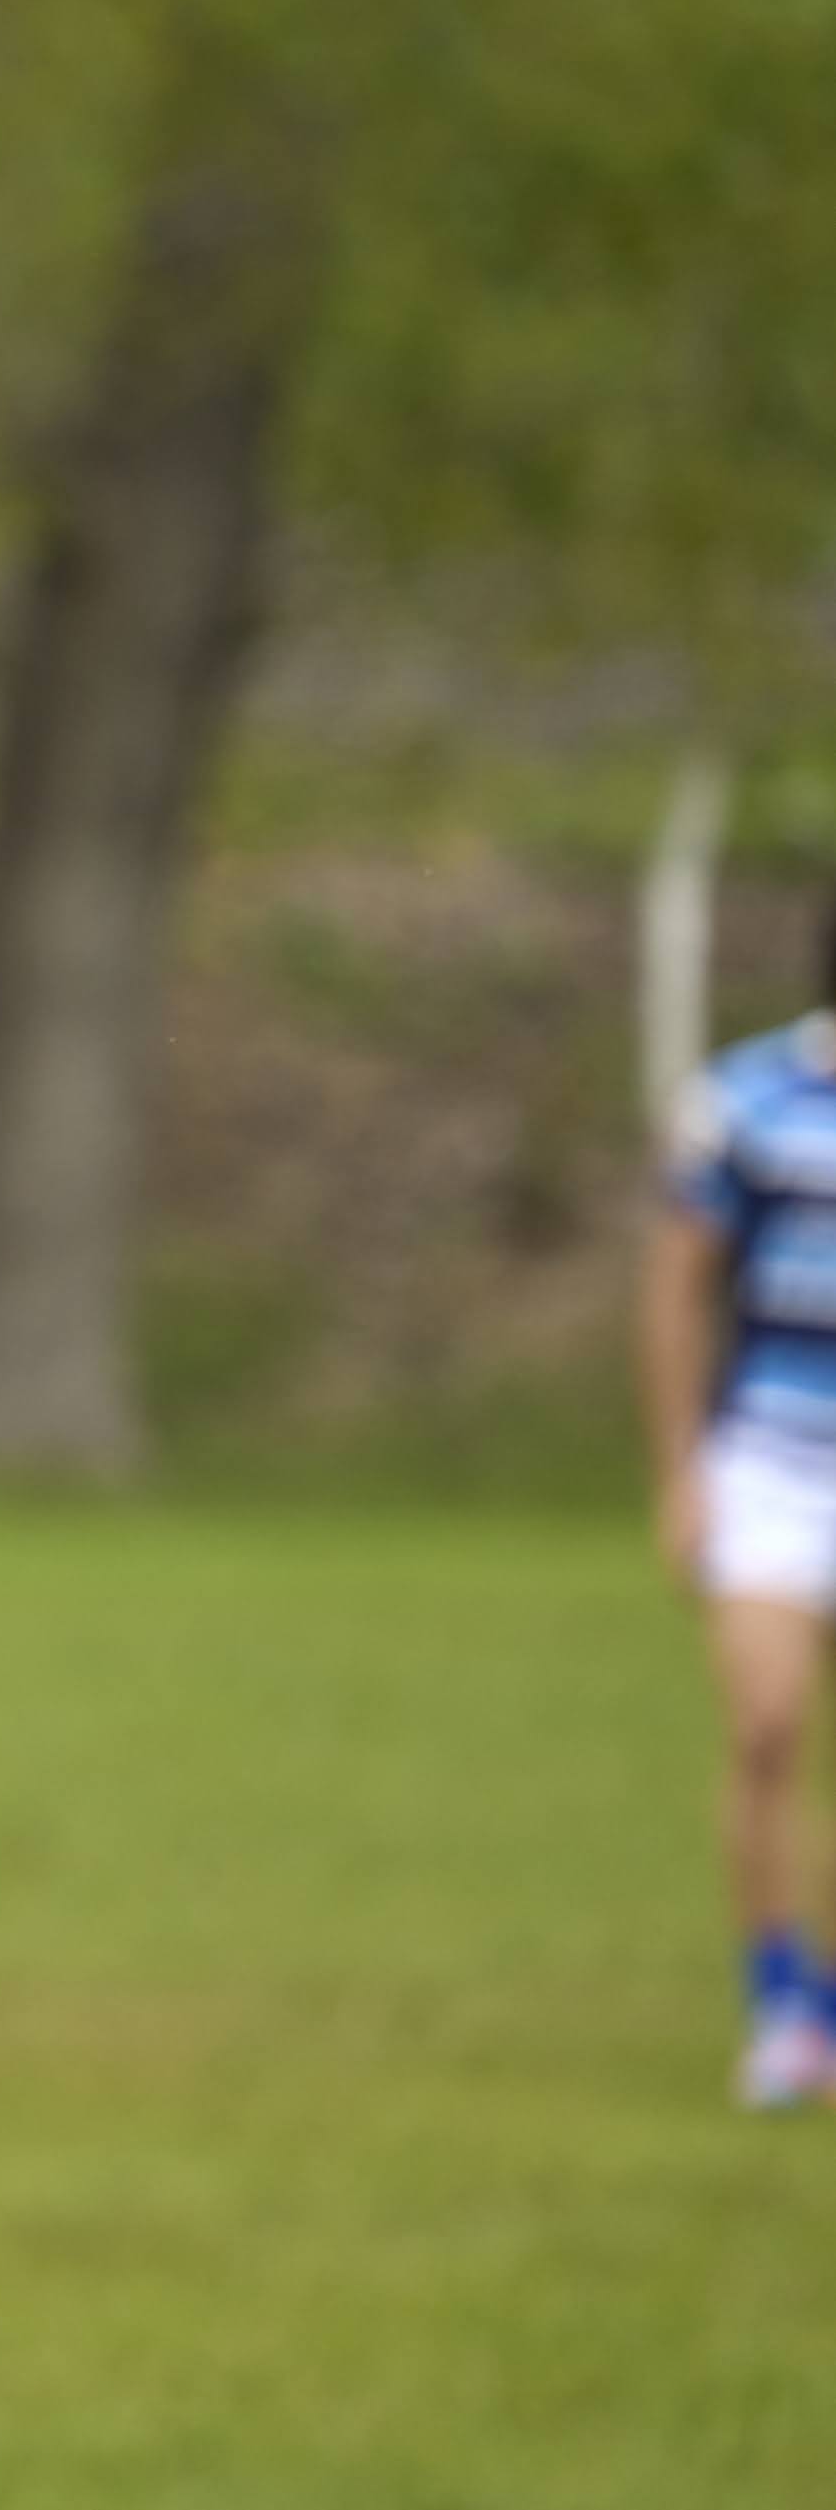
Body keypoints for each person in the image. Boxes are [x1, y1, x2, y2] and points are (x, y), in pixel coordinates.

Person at [645, 893, 836, 2109]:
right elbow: (673, 1288)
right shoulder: (745, 1098)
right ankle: (780, 2002)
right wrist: (681, 1469)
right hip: (770, 1455)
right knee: (766, 1723)